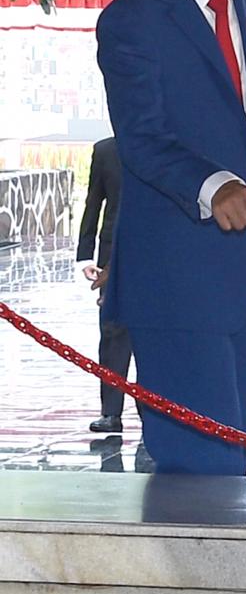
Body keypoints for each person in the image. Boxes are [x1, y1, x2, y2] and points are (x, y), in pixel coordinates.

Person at [96, 0, 246, 476]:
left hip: (236, 270)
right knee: (197, 471)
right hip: (171, 274)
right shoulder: (132, 20)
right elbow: (141, 139)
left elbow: (231, 119)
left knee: (234, 459)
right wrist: (216, 184)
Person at [76, 136, 135, 433]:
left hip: (158, 256)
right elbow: (93, 201)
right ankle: (111, 413)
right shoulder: (105, 150)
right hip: (111, 254)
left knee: (152, 338)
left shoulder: (165, 148)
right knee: (112, 333)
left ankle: (155, 417)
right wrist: (85, 255)